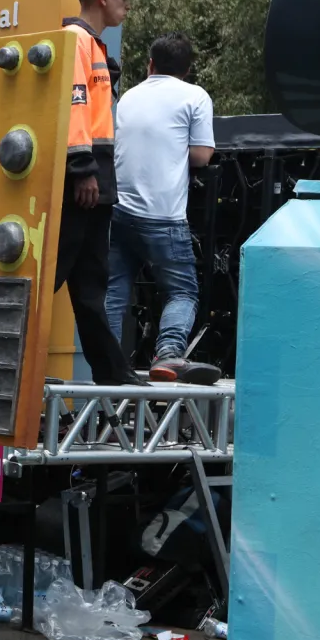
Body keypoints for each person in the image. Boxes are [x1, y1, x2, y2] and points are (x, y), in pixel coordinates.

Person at [108, 32, 219, 384]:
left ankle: (108, 362)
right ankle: (169, 355)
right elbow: (202, 155)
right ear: (187, 70)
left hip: (117, 210)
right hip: (162, 215)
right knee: (182, 290)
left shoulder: (128, 97)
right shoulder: (194, 96)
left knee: (114, 290)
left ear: (150, 64)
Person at [58, 0, 142, 386]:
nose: (128, 2)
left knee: (91, 288)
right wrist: (82, 171)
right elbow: (74, 109)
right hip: (83, 186)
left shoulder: (92, 45)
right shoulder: (75, 39)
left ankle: (115, 376)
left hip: (95, 187)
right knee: (48, 282)